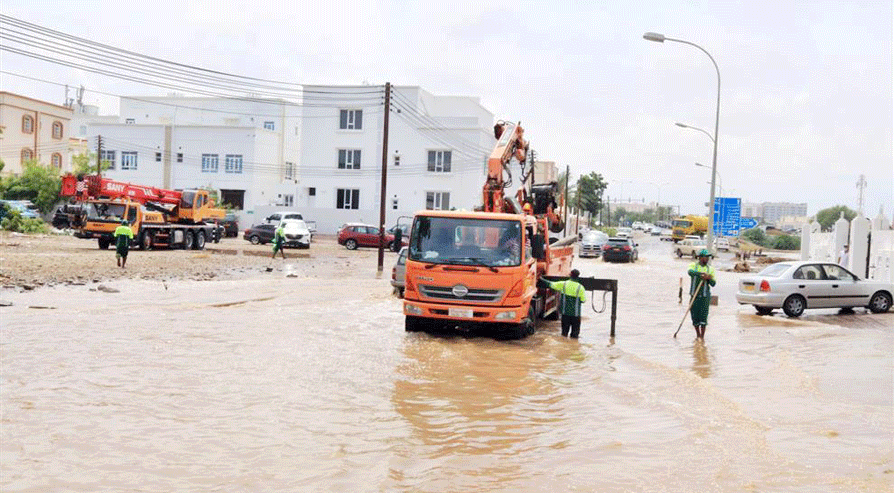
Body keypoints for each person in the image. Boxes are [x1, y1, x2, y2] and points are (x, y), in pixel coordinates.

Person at [543, 269, 587, 338]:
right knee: (575, 336)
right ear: (578, 276)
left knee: (564, 334)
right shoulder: (580, 287)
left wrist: (541, 278)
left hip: (565, 314)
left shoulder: (564, 284)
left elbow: (551, 284)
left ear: (570, 275)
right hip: (576, 315)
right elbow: (583, 300)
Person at [688, 249, 716, 339]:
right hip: (694, 295)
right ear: (700, 257)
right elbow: (690, 272)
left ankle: (702, 337)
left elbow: (713, 283)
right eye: (705, 257)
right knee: (694, 316)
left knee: (703, 317)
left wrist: (708, 278)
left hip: (704, 296)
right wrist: (700, 274)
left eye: (708, 257)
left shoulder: (710, 269)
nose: (707, 259)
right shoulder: (694, 266)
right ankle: (698, 335)